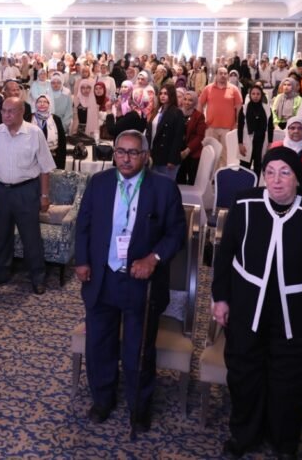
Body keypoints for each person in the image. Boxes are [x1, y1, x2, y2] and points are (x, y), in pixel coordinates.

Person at [212, 146, 302, 459]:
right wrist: (221, 298)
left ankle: (284, 441)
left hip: (297, 314)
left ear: (298, 178)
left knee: (289, 380)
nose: (276, 180)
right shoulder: (244, 203)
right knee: (244, 374)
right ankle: (245, 434)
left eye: (285, 173)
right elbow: (225, 255)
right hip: (247, 307)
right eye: (269, 173)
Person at [74, 129, 186, 431]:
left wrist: (154, 258)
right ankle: (102, 400)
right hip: (102, 276)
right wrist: (82, 260)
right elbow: (83, 224)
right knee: (99, 344)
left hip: (141, 282)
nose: (126, 158)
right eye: (120, 152)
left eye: (133, 152)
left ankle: (139, 407)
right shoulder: (99, 183)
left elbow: (176, 233)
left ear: (145, 156)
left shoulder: (163, 189)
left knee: (138, 349)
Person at [0, 96, 56, 295]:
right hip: (2, 191)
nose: (6, 115)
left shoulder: (34, 133)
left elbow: (45, 168)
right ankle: (1, 273)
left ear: (21, 112)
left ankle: (37, 277)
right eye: (3, 111)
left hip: (26, 191)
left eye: (11, 111)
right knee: (0, 235)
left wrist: (44, 195)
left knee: (30, 237)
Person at [199, 67, 244, 169]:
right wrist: (201, 122)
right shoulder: (208, 88)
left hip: (228, 128)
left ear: (227, 75)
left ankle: (221, 176)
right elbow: (200, 104)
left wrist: (237, 123)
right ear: (216, 75)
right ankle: (210, 176)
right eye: (220, 73)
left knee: (225, 155)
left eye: (225, 73)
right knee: (211, 155)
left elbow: (239, 108)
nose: (223, 75)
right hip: (210, 127)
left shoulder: (234, 89)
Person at [270, 116, 302, 197]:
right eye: (292, 128)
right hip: (280, 191)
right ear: (287, 130)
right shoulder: (276, 147)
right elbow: (269, 171)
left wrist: (301, 185)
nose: (296, 131)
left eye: (300, 128)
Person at [147, 83, 184, 180]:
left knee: (166, 184)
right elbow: (150, 132)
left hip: (167, 156)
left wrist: (172, 159)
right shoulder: (157, 111)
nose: (162, 96)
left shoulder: (177, 113)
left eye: (166, 94)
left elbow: (178, 138)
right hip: (154, 154)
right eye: (161, 93)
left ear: (171, 95)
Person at [237, 84, 273, 174]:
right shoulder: (244, 108)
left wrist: (270, 143)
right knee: (244, 168)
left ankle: (256, 183)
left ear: (261, 95)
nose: (255, 96)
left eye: (258, 94)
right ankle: (244, 184)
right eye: (253, 94)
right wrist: (240, 144)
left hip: (261, 142)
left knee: (258, 168)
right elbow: (240, 127)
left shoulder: (267, 109)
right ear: (250, 95)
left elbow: (270, 127)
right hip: (247, 141)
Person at [32, 94, 67, 167]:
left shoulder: (56, 119)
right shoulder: (29, 118)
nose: (42, 104)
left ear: (49, 104)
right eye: (39, 102)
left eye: (45, 102)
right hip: (33, 158)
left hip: (53, 156)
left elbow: (62, 141)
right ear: (35, 104)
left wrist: (61, 161)